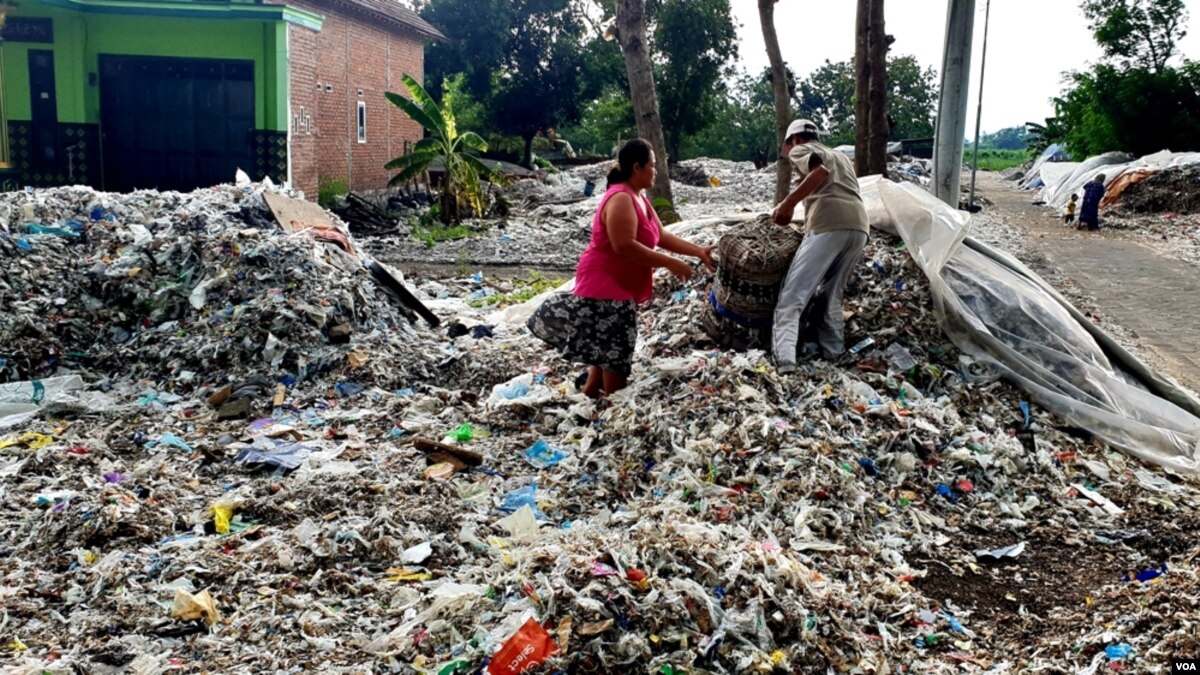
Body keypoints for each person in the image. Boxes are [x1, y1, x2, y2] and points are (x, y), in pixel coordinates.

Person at [527, 139, 716, 398]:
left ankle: (590, 399)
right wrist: (669, 262)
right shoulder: (620, 198)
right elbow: (623, 246)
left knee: (604, 355)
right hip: (605, 287)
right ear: (637, 167)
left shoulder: (640, 198)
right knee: (616, 360)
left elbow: (660, 235)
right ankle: (609, 412)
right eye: (652, 165)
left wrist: (697, 251)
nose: (656, 171)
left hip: (618, 287)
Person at [769, 119, 869, 375]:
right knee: (832, 295)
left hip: (828, 223)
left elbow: (819, 173)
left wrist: (787, 205)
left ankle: (786, 363)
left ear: (795, 140)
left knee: (792, 298)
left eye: (790, 144)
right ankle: (834, 353)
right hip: (859, 227)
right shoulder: (841, 156)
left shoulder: (800, 149)